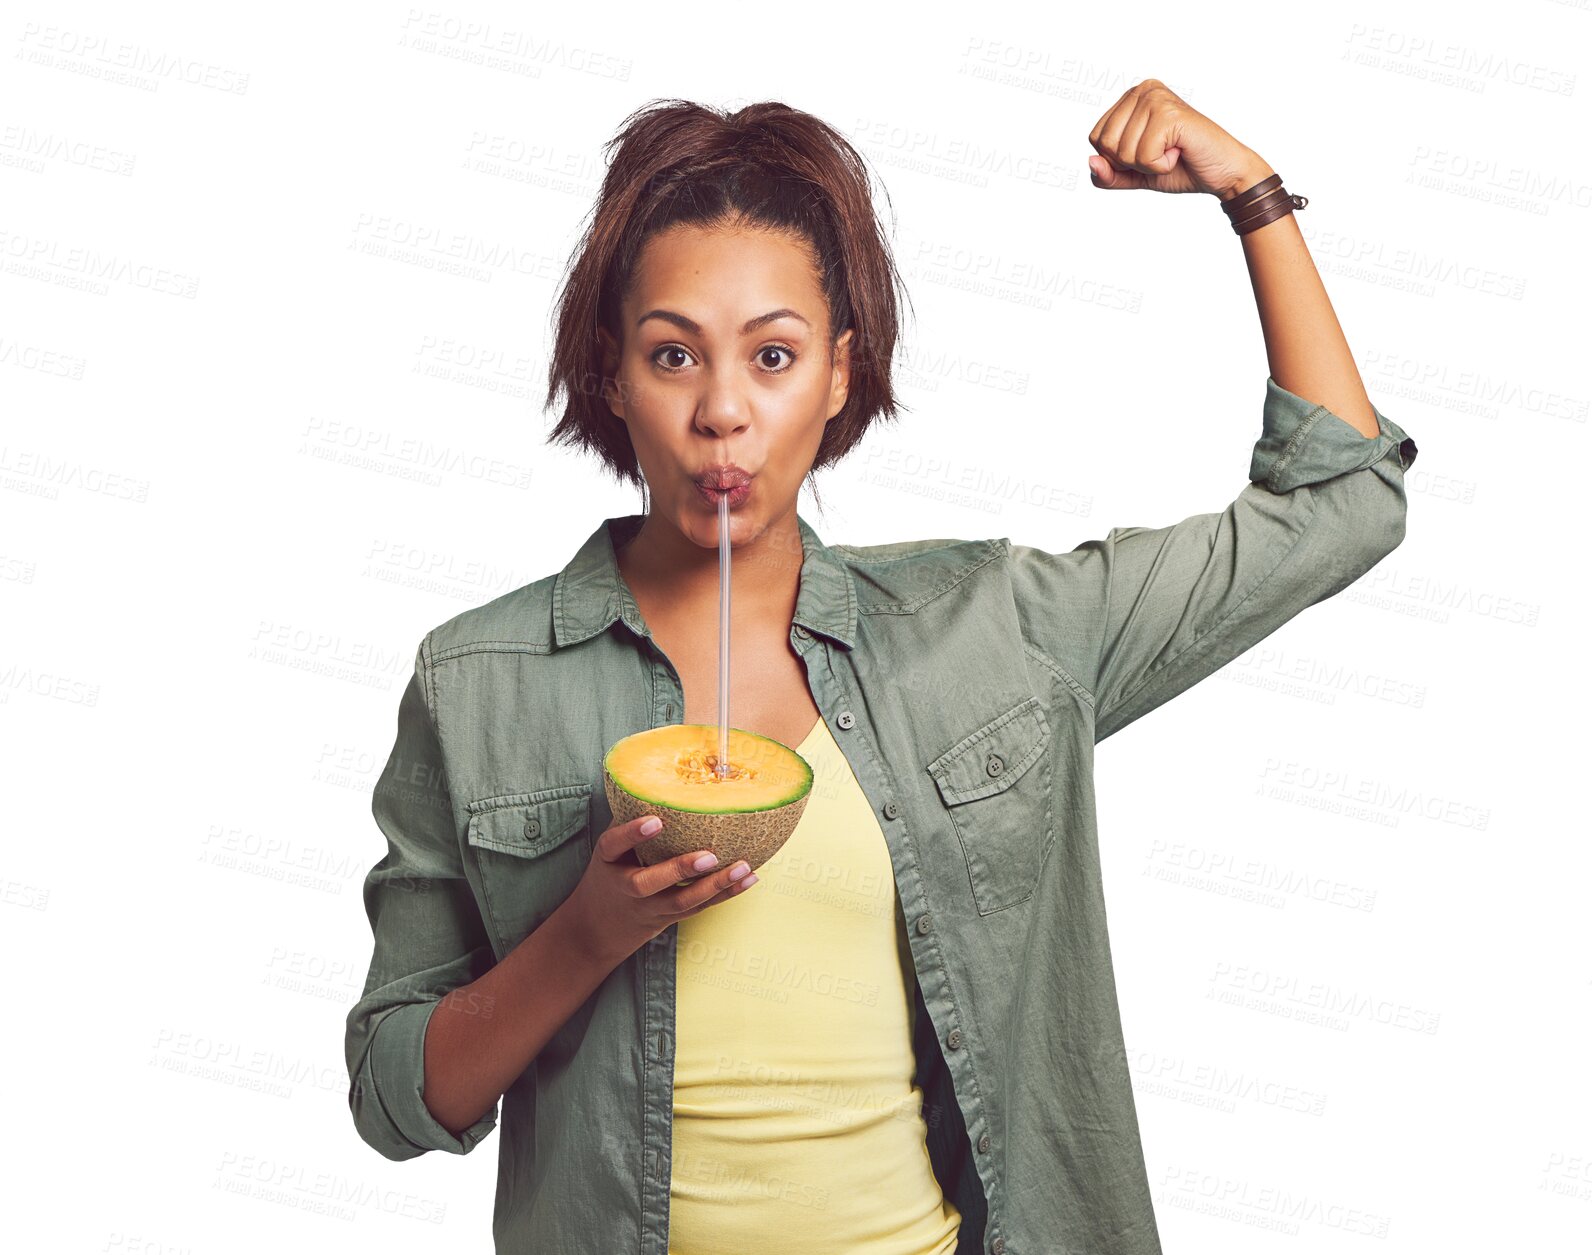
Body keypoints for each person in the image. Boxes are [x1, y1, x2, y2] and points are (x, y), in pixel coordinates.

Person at [345, 88, 1418, 1255]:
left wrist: (1249, 194)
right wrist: (585, 932)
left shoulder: (991, 628)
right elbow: (396, 1099)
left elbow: (1339, 510)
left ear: (840, 372)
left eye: (771, 355)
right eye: (672, 355)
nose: (721, 412)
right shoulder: (478, 681)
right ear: (611, 376)